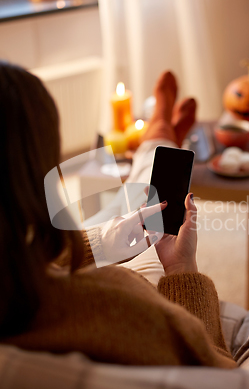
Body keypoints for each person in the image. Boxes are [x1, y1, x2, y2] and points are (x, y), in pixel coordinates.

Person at [0, 61, 236, 369]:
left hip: (93, 252)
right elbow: (215, 373)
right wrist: (182, 269)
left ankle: (161, 131)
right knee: (141, 193)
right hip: (147, 276)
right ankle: (161, 128)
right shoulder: (112, 305)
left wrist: (99, 243)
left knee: (138, 201)